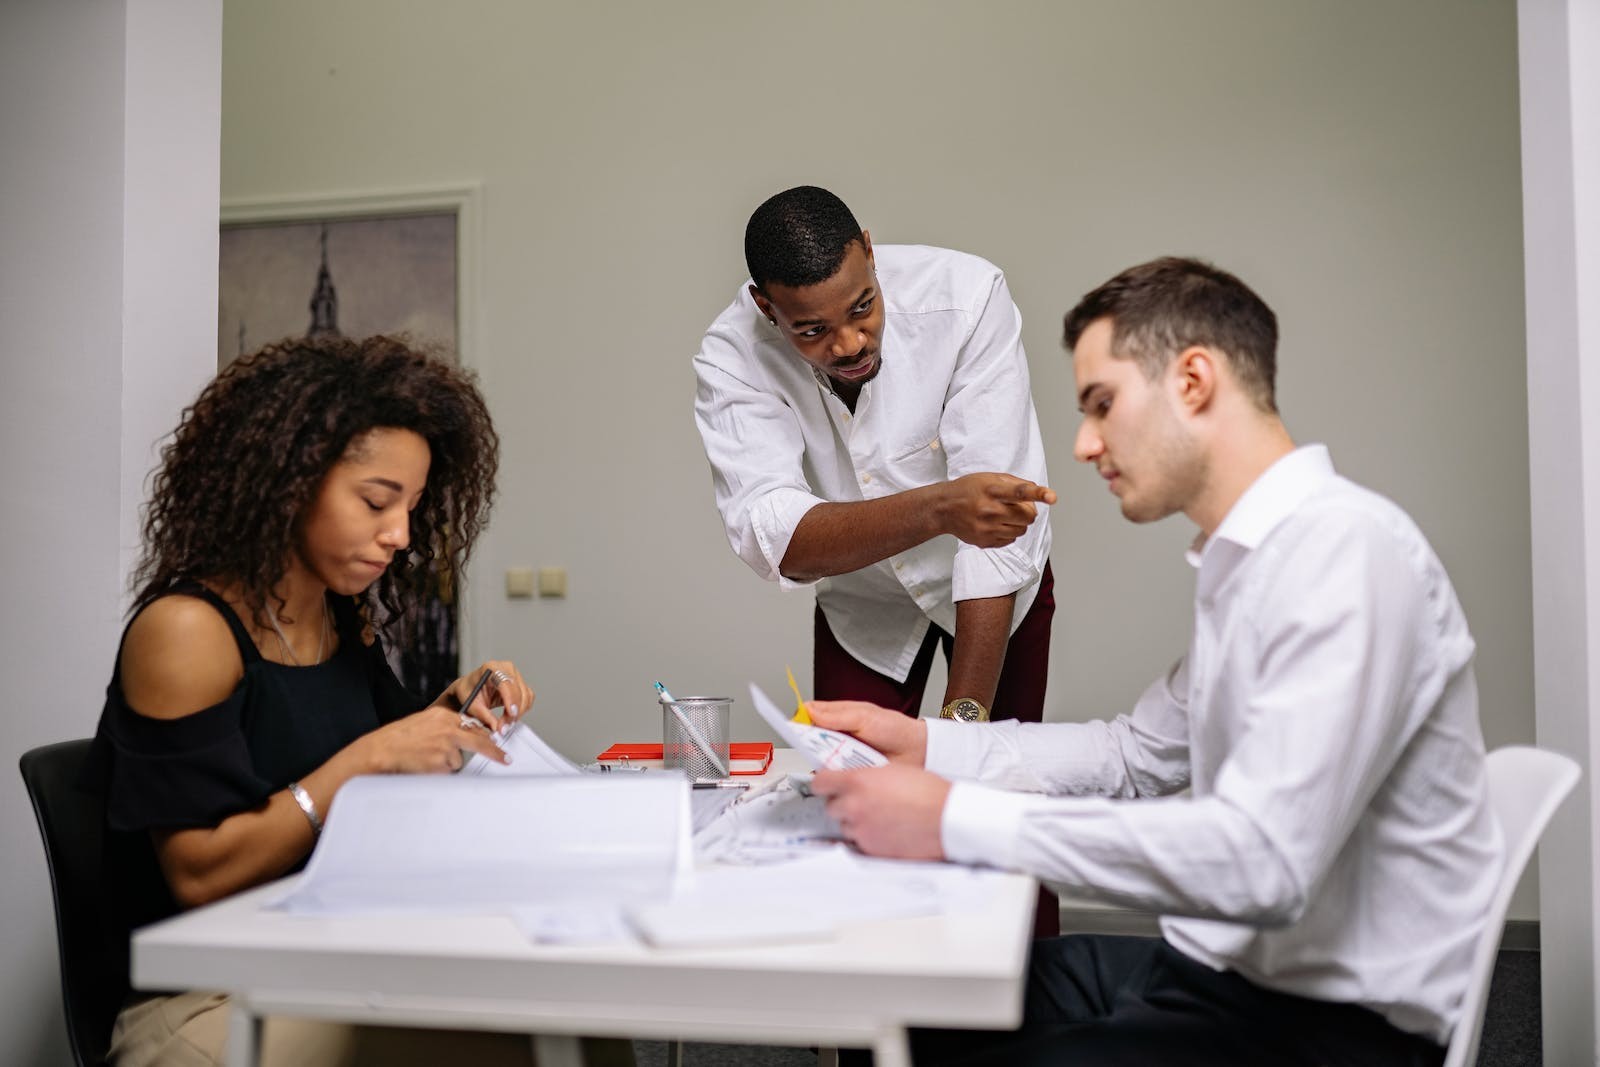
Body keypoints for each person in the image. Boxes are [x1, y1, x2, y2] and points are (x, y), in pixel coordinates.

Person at [808, 257, 1501, 1066]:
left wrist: (956, 819)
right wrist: (929, 746)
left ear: (1195, 380)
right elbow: (1133, 755)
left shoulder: (1344, 554)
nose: (1083, 443)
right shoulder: (1254, 562)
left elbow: (1262, 863)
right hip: (1217, 972)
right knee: (903, 1008)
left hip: (1326, 1023)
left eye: (1102, 405)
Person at [84, 335, 630, 1067]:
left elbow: (397, 738)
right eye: (377, 501)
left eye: (412, 505)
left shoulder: (338, 615)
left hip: (326, 955)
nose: (400, 535)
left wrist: (459, 709)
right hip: (204, 998)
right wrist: (364, 763)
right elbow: (199, 875)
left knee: (577, 1017)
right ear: (288, 480)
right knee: (531, 1036)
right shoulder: (185, 633)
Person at [693, 184, 1057, 731]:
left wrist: (961, 732)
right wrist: (941, 508)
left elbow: (998, 532)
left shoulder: (967, 297)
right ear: (766, 308)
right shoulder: (731, 358)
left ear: (869, 250)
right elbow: (773, 538)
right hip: (863, 603)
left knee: (999, 787)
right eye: (812, 331)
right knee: (855, 788)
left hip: (999, 595)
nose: (848, 345)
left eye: (863, 307)